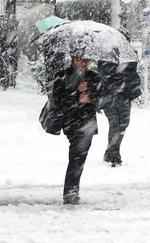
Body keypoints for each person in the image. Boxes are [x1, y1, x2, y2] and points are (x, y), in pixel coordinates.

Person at [51, 51, 109, 205]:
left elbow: (104, 99)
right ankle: (71, 192)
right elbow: (58, 99)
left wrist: (91, 98)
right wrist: (76, 92)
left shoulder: (93, 77)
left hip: (87, 123)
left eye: (87, 60)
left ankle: (71, 191)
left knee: (78, 158)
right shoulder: (62, 75)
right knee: (76, 156)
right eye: (80, 59)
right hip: (70, 121)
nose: (84, 63)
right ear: (72, 58)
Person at [98, 28, 142, 167]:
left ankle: (110, 151)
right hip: (109, 95)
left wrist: (133, 88)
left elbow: (133, 74)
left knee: (123, 124)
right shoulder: (105, 54)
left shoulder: (131, 55)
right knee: (115, 124)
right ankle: (115, 155)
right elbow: (103, 75)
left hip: (125, 95)